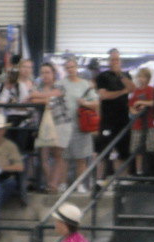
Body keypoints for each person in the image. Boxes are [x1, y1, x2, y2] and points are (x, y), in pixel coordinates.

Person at [95, 49, 135, 181]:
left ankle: (121, 180)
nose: (115, 62)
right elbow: (104, 95)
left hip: (123, 119)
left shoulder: (126, 75)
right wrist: (123, 91)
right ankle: (100, 180)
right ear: (108, 61)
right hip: (108, 120)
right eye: (112, 60)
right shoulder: (103, 77)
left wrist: (121, 76)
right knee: (103, 152)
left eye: (117, 60)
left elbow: (132, 88)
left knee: (123, 152)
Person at [60, 58, 99, 194]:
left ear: (77, 68)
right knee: (64, 157)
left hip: (81, 125)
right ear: (65, 69)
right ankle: (63, 183)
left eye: (72, 67)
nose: (70, 70)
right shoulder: (60, 84)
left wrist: (84, 103)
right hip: (64, 125)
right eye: (68, 67)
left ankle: (79, 184)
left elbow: (95, 103)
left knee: (81, 158)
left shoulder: (85, 84)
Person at [29, 62, 68, 193]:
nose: (45, 75)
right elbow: (31, 98)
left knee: (58, 155)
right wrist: (47, 98)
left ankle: (54, 184)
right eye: (42, 72)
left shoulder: (60, 85)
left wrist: (40, 97)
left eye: (48, 72)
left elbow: (57, 95)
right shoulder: (37, 85)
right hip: (41, 125)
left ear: (53, 73)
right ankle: (49, 183)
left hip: (59, 123)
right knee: (43, 155)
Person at [128, 67, 154, 176]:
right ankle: (139, 171)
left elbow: (153, 103)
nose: (141, 79)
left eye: (144, 77)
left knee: (149, 148)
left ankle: (148, 171)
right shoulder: (135, 91)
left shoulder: (151, 90)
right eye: (140, 76)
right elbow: (130, 105)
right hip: (137, 125)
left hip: (149, 124)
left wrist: (141, 102)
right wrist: (134, 111)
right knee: (136, 150)